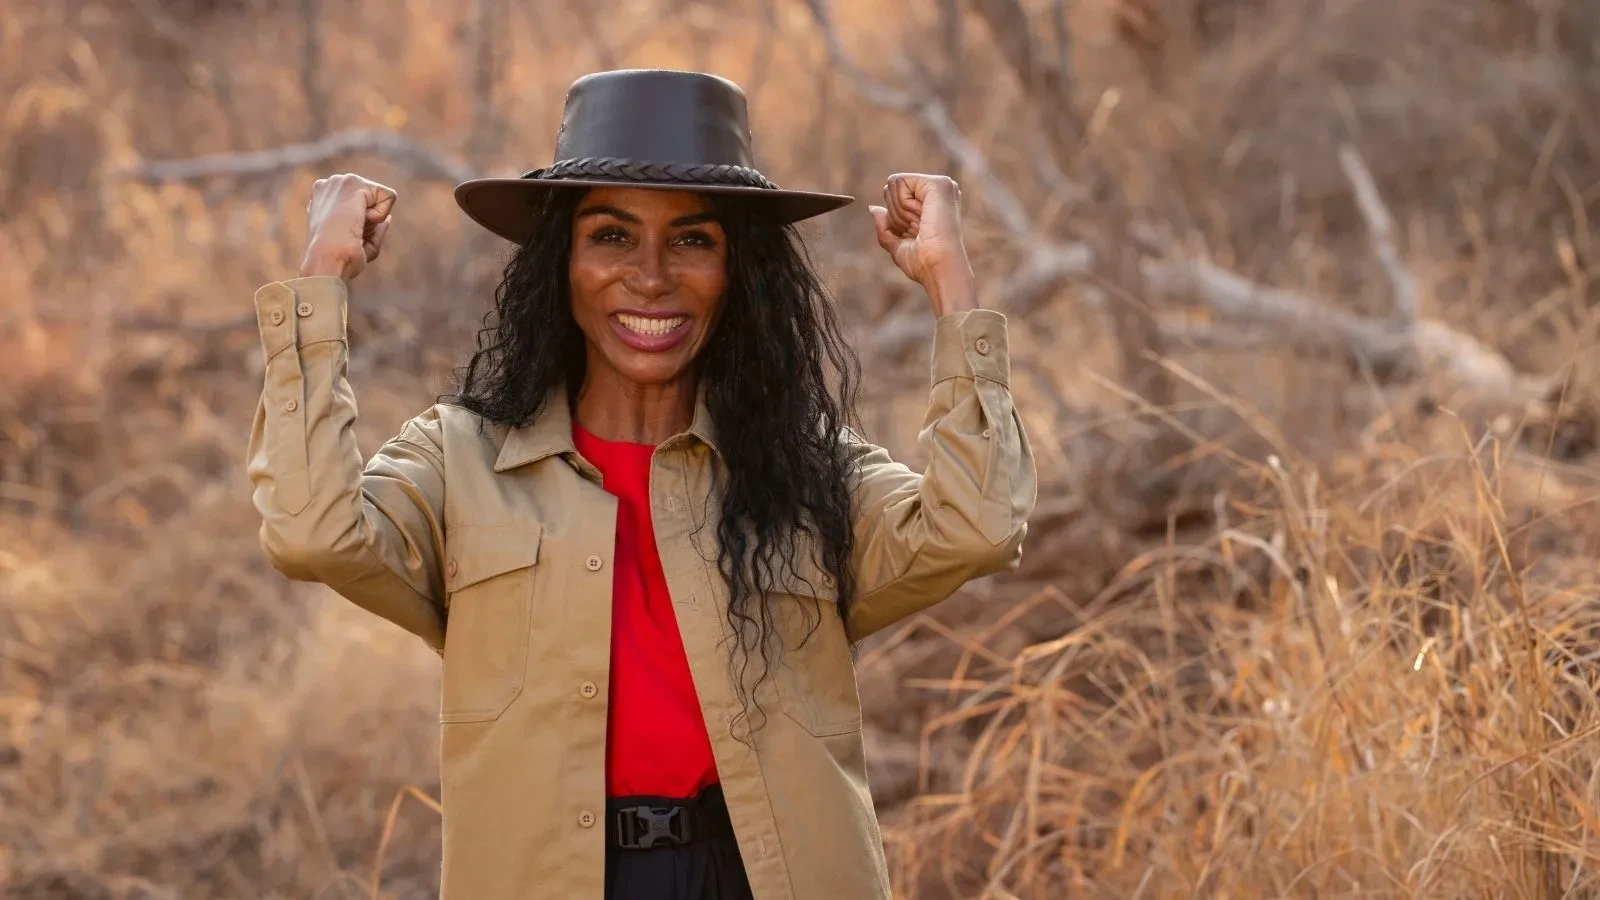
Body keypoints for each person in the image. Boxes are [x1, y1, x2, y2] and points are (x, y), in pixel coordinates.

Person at [247, 69, 1035, 900]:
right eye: (612, 237)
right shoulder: (461, 461)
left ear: (740, 272)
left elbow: (977, 526)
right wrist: (319, 284)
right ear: (562, 263)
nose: (652, 276)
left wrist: (951, 285)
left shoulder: (805, 469)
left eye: (694, 240)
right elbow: (310, 531)